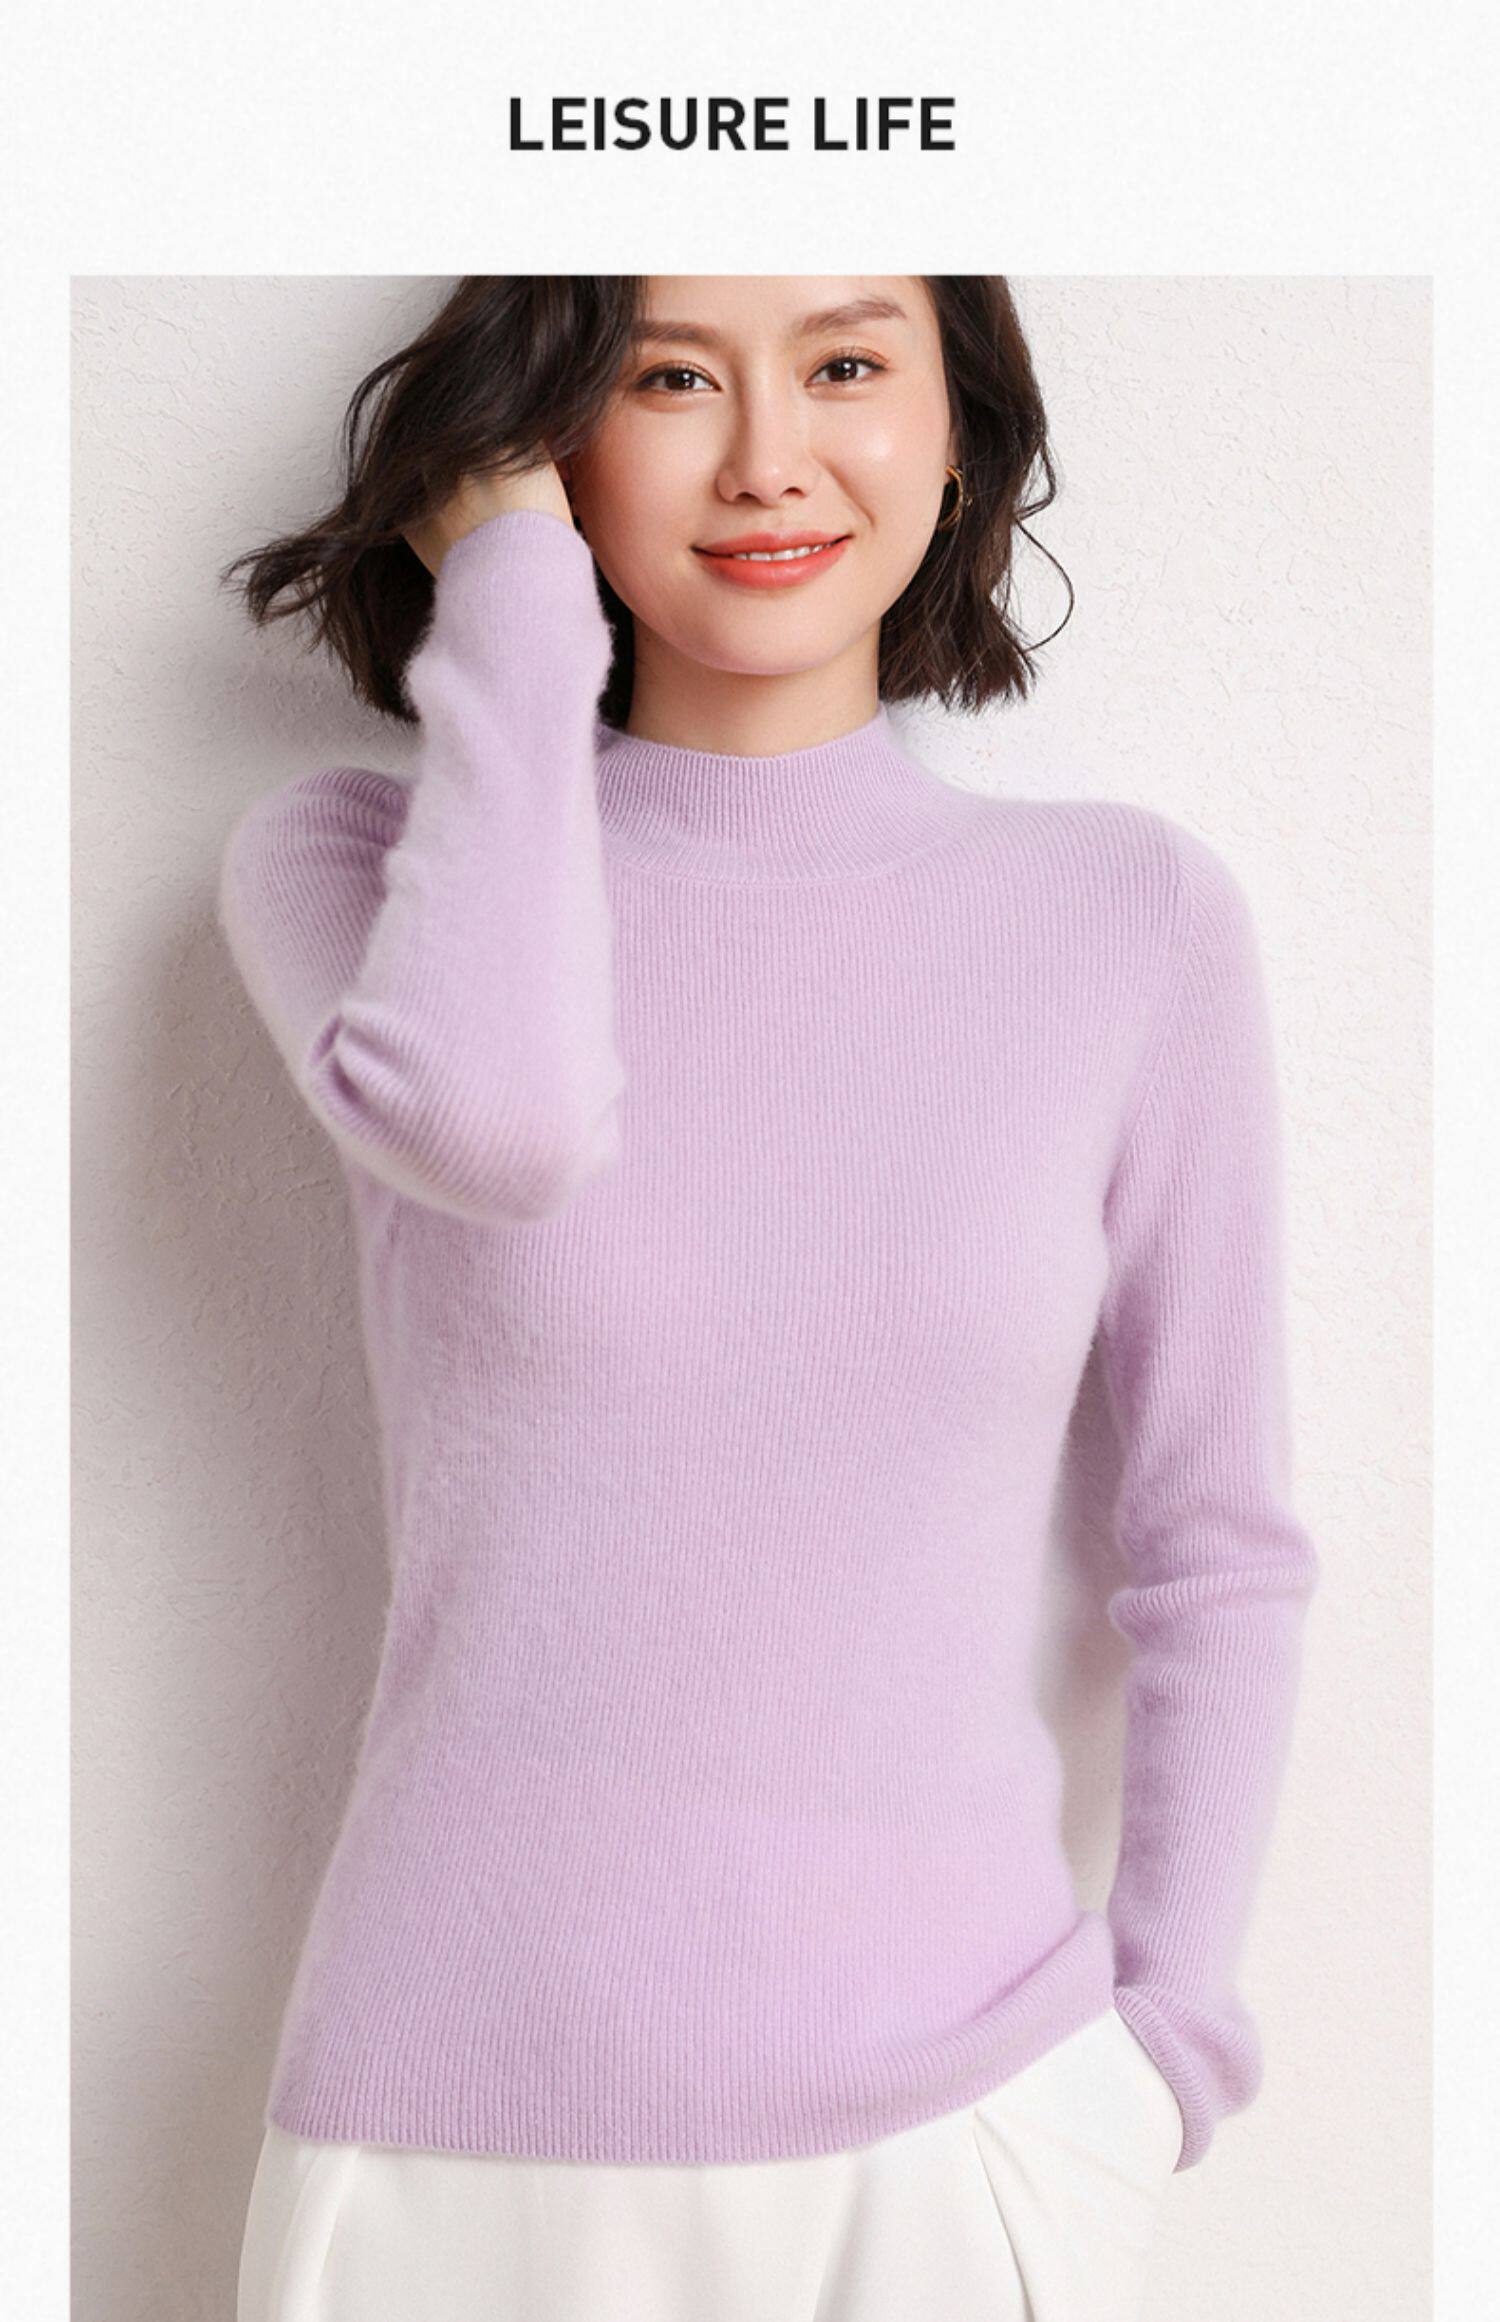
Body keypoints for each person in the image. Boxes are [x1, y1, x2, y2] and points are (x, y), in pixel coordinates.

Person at [217, 274, 1318, 2322]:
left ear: (958, 432)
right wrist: (516, 598)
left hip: (965, 2140)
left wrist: (1165, 2052)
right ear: (546, 437)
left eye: (845, 365)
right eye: (668, 377)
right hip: (448, 2143)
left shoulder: (1126, 923)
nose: (767, 458)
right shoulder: (352, 868)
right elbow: (501, 1125)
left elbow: (1217, 1545)